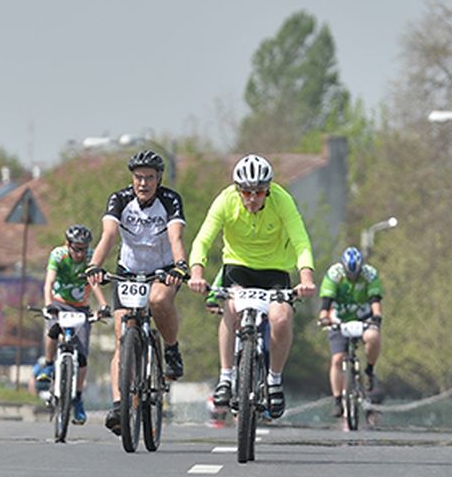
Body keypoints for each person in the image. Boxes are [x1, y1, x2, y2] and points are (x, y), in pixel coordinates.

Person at [187, 154, 316, 418]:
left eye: (259, 192)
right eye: (246, 192)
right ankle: (225, 377)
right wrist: (197, 274)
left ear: (268, 189)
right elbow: (202, 240)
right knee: (231, 308)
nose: (252, 198)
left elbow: (301, 241)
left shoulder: (282, 200)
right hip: (239, 267)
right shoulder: (225, 200)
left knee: (282, 318)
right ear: (238, 190)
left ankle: (274, 380)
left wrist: (306, 279)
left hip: (275, 269)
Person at [84, 150, 188, 433]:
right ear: (132, 178)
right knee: (122, 338)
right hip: (128, 270)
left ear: (159, 179)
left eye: (150, 178)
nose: (143, 183)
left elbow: (176, 237)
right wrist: (94, 266)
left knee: (158, 300)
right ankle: (120, 405)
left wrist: (180, 265)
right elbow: (108, 235)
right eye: (139, 177)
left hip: (162, 269)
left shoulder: (170, 200)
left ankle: (171, 349)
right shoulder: (119, 199)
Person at [34, 225, 109, 426]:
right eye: (76, 249)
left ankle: (77, 399)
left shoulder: (91, 256)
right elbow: (49, 282)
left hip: (80, 308)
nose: (80, 254)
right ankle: (48, 365)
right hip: (59, 303)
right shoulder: (58, 255)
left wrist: (103, 305)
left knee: (82, 356)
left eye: (84, 249)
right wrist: (49, 304)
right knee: (52, 330)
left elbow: (94, 282)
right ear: (68, 244)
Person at [318, 246, 383, 418]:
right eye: (349, 274)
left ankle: (369, 370)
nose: (353, 277)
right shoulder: (334, 274)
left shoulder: (369, 274)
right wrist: (324, 316)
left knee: (373, 337)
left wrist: (377, 316)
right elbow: (326, 301)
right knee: (337, 359)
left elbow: (375, 299)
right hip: (340, 318)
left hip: (364, 317)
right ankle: (337, 400)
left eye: (356, 274)